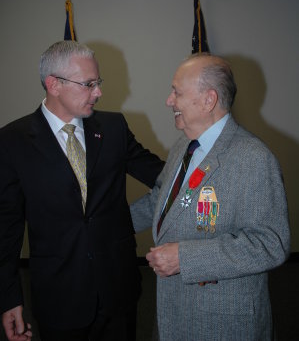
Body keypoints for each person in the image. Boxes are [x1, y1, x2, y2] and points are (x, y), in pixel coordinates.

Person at [0, 40, 164, 341]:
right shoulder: (12, 141)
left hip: (118, 289)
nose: (99, 92)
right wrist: (9, 298)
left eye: (97, 83)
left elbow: (162, 175)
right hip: (59, 296)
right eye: (89, 84)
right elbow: (6, 229)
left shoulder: (114, 128)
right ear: (54, 85)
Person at [130, 53, 290, 341]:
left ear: (208, 100)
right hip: (174, 313)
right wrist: (103, 222)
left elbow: (271, 243)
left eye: (176, 92)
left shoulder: (253, 157)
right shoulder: (184, 146)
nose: (169, 101)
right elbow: (161, 201)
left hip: (223, 322)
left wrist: (185, 258)